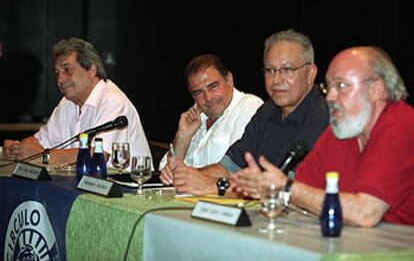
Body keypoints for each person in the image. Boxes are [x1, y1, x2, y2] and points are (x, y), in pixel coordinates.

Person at [233, 46, 414, 227]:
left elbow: (365, 214)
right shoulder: (341, 131)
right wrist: (267, 187)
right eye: (329, 87)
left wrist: (286, 187)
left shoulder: (402, 125)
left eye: (341, 86)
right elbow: (304, 195)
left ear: (376, 89)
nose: (330, 97)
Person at [164, 29, 329, 195]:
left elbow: (287, 188)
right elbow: (228, 168)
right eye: (270, 70)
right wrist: (188, 176)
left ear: (310, 73)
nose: (277, 80)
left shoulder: (324, 115)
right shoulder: (267, 110)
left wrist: (216, 187)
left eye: (287, 70)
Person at [3, 37, 152, 165]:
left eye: (67, 70)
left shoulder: (112, 100)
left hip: (126, 190)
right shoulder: (67, 103)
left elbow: (98, 156)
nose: (60, 80)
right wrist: (18, 149)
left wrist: (42, 157)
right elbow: (39, 142)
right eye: (57, 73)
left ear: (91, 70)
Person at [159, 54, 263, 183]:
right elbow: (163, 172)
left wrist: (186, 176)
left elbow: (237, 168)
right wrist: (183, 136)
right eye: (198, 92)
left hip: (222, 200)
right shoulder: (196, 119)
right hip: (185, 197)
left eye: (213, 86)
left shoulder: (248, 105)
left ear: (229, 80)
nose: (208, 97)